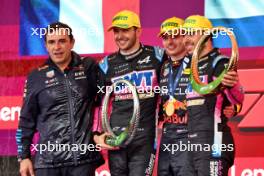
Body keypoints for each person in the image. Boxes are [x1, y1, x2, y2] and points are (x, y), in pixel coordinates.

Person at [16, 22, 104, 176]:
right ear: (46, 45)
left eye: (62, 41)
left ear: (72, 42)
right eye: (52, 42)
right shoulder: (36, 77)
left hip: (82, 162)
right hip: (48, 164)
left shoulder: (89, 67)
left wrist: (100, 133)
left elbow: (106, 101)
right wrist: (24, 157)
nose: (57, 47)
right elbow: (26, 120)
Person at [157, 16, 241, 176]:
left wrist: (235, 105)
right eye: (165, 37)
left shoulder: (208, 62)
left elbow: (233, 95)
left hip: (198, 137)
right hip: (171, 138)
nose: (170, 41)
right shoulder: (162, 65)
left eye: (176, 35)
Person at [93, 10, 165, 176]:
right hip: (116, 138)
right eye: (116, 31)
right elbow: (98, 102)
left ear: (138, 31)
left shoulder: (157, 55)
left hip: (144, 138)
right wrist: (97, 135)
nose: (120, 36)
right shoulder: (106, 64)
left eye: (125, 30)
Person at [182, 15, 244, 176]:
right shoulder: (190, 67)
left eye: (191, 33)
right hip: (192, 144)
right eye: (184, 34)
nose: (186, 39)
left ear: (206, 36)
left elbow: (237, 99)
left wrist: (234, 85)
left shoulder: (220, 63)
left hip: (214, 142)